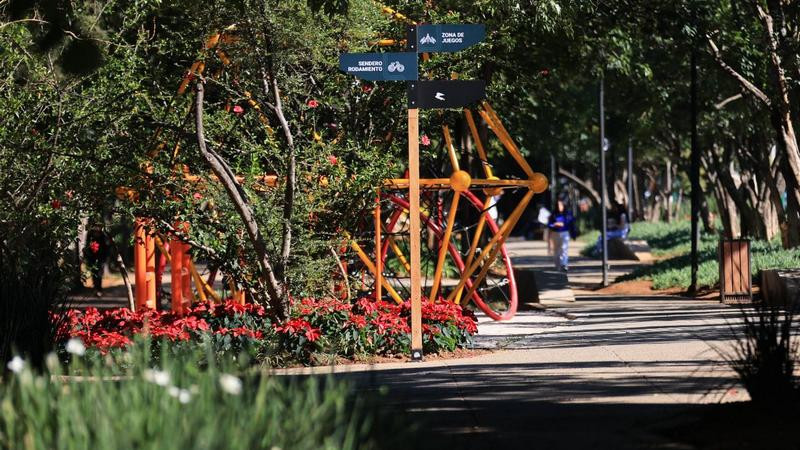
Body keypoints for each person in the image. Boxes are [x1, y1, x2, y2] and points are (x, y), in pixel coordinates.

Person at [548, 199, 575, 271]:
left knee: (564, 248)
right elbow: (549, 224)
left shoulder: (567, 213)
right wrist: (554, 225)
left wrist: (573, 234)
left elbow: (570, 223)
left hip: (564, 233)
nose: (559, 207)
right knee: (556, 250)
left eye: (560, 205)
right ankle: (558, 266)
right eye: (558, 205)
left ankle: (564, 264)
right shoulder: (553, 214)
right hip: (555, 234)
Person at [84, 224, 109, 296]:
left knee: (99, 274)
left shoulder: (102, 235)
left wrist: (105, 257)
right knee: (94, 273)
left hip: (101, 257)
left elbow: (106, 247)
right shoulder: (90, 234)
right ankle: (95, 288)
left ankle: (99, 289)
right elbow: (87, 245)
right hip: (92, 257)